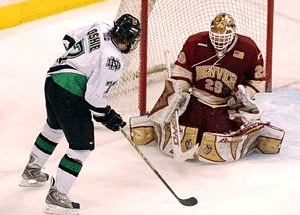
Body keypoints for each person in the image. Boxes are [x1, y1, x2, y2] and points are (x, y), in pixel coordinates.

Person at [19, 14, 141, 214]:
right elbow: (93, 98)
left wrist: (83, 62)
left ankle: (31, 171)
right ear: (128, 40)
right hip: (69, 92)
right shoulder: (113, 61)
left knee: (53, 128)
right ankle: (57, 197)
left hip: (53, 79)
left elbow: (68, 38)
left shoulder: (100, 26)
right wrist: (107, 116)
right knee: (82, 147)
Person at [129, 13, 284, 163]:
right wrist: (179, 90)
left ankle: (256, 131)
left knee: (218, 139)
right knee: (184, 129)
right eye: (216, 37)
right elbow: (182, 71)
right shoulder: (195, 42)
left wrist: (241, 96)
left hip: (224, 107)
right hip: (196, 101)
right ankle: (154, 124)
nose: (219, 42)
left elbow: (257, 81)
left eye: (223, 38)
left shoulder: (248, 49)